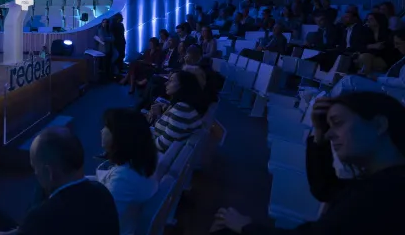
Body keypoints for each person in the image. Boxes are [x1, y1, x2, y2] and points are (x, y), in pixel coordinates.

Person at [211, 92, 405, 235]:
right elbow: (325, 189)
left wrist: (246, 226)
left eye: (338, 123)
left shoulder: (384, 193)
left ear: (379, 125)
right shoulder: (385, 184)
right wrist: (319, 133)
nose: (329, 134)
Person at [0, 127, 120, 235]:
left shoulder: (44, 217)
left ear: (49, 172)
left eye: (35, 168)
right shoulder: (103, 193)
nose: (35, 174)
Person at [97, 108, 159, 235]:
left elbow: (101, 222)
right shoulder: (140, 164)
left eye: (106, 127)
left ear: (120, 136)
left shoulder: (123, 179)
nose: (101, 131)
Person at [148, 70, 207, 153]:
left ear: (183, 85)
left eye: (171, 80)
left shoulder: (182, 110)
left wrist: (140, 140)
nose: (166, 83)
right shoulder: (186, 107)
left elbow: (161, 146)